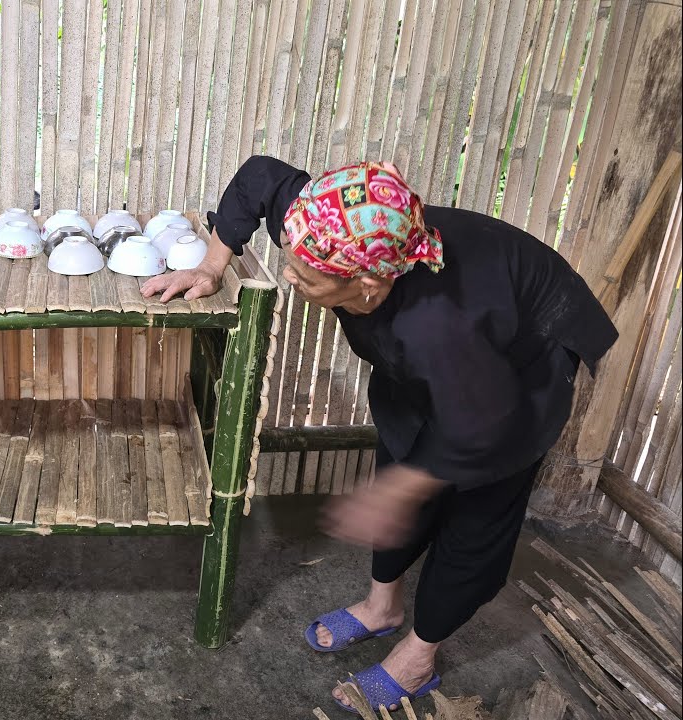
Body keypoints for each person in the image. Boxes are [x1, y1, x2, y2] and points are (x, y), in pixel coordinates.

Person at [141, 156, 617, 714]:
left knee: (474, 511)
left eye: (305, 277)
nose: (291, 278)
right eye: (292, 264)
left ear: (368, 285)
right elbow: (258, 179)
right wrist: (211, 265)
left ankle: (419, 657)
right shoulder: (322, 221)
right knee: (399, 450)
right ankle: (381, 607)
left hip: (522, 359)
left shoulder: (439, 326)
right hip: (442, 355)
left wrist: (402, 491)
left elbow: (479, 424)